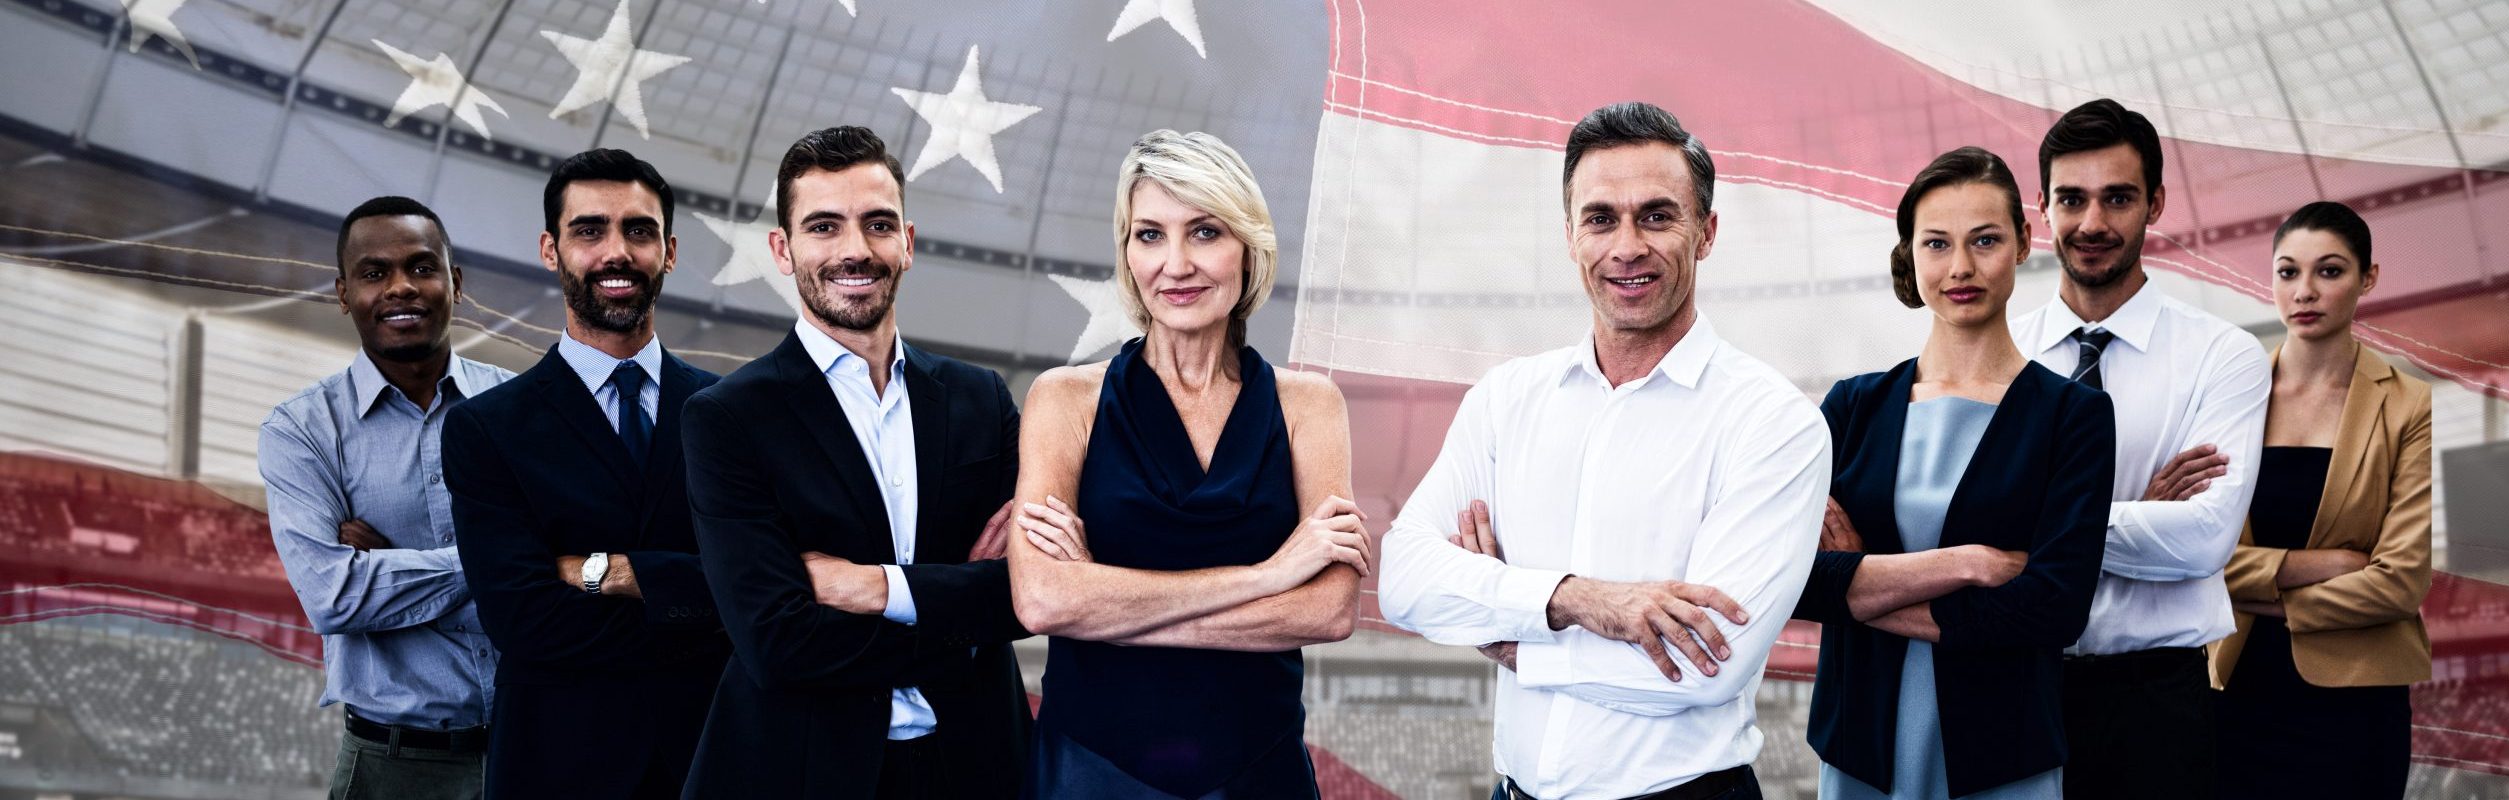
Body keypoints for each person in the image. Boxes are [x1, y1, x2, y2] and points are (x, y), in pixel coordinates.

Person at [1378, 101, 1829, 800]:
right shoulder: (1507, 399)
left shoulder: (1772, 422)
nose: (1626, 246)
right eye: (1600, 218)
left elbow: (1712, 664)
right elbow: (1404, 580)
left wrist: (1513, 634)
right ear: (1569, 236)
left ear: (1706, 233)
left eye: (1656, 215)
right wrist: (1572, 600)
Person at [1007, 129, 1363, 798]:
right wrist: (1269, 575)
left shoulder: (1310, 406)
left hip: (1258, 772)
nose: (1175, 264)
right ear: (1126, 252)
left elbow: (1329, 609)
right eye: (1149, 235)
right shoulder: (1065, 398)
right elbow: (1042, 598)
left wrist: (1110, 606)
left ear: (1248, 248)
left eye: (1204, 232)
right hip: (1092, 771)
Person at [679, 125, 1032, 799]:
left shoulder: (980, 398)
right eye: (823, 226)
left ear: (908, 242)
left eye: (877, 224)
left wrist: (878, 590)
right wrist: (963, 613)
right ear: (783, 249)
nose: (854, 250)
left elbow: (1036, 595)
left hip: (978, 767)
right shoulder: (727, 417)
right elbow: (776, 643)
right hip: (805, 772)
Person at [1792, 147, 2114, 800]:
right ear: (1911, 253)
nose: (1961, 267)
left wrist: (1860, 584)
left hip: (2004, 763)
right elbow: (1791, 583)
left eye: (1985, 240)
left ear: (2024, 243)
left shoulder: (2074, 416)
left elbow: (2055, 610)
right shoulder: (1851, 409)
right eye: (1937, 243)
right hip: (1861, 757)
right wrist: (1967, 563)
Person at [2005, 99, 2273, 799]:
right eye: (2072, 199)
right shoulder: (1995, 355)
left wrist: (2033, 527)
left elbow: (2203, 541)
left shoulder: (2225, 355)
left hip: (2155, 706)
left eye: (2117, 198)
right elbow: (1953, 528)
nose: (2092, 223)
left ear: (2155, 204)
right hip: (2012, 690)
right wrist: (2133, 512)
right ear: (2041, 207)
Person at [443, 148, 728, 799]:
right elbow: (523, 619)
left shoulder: (735, 417)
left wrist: (609, 573)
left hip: (710, 766)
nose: (617, 252)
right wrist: (704, 600)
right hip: (556, 771)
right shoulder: (487, 429)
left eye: (639, 230)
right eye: (589, 230)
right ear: (551, 249)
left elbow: (767, 590)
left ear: (670, 251)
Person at [262, 196, 514, 799]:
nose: (401, 288)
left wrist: (386, 566)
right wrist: (502, 565)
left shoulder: (520, 408)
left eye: (422, 268)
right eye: (374, 274)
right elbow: (333, 597)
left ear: (454, 282)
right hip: (390, 767)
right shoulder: (300, 430)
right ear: (344, 293)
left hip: (531, 750)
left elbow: (571, 577)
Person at [2205, 201, 2431, 798]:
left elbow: (2400, 582)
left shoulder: (2408, 404)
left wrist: (2271, 598)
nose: (2304, 291)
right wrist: (2317, 566)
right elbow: (2197, 554)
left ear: (2368, 278)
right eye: (2288, 272)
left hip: (2357, 707)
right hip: (2235, 692)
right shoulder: (2227, 395)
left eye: (2329, 272)